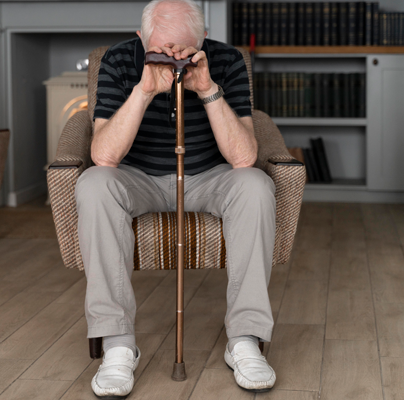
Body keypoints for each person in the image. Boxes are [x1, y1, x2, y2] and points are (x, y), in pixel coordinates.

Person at [75, 0, 277, 396]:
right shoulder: (118, 60)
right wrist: (145, 90)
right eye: (161, 50)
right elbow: (104, 155)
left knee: (255, 185)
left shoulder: (227, 59)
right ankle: (117, 344)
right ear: (142, 39)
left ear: (202, 39)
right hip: (138, 178)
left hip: (209, 176)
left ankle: (245, 339)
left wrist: (208, 89)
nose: (173, 60)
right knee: (93, 184)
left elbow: (243, 157)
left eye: (184, 50)